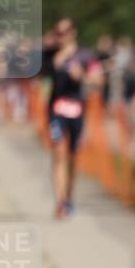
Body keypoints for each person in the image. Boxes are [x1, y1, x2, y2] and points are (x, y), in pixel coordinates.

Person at [41, 17, 102, 219]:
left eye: (65, 32)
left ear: (74, 32)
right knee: (59, 152)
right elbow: (39, 72)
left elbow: (98, 80)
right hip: (56, 109)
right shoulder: (50, 54)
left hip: (77, 108)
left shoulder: (85, 55)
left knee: (73, 157)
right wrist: (54, 53)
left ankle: (69, 197)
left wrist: (82, 77)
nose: (62, 36)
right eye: (58, 32)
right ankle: (60, 201)